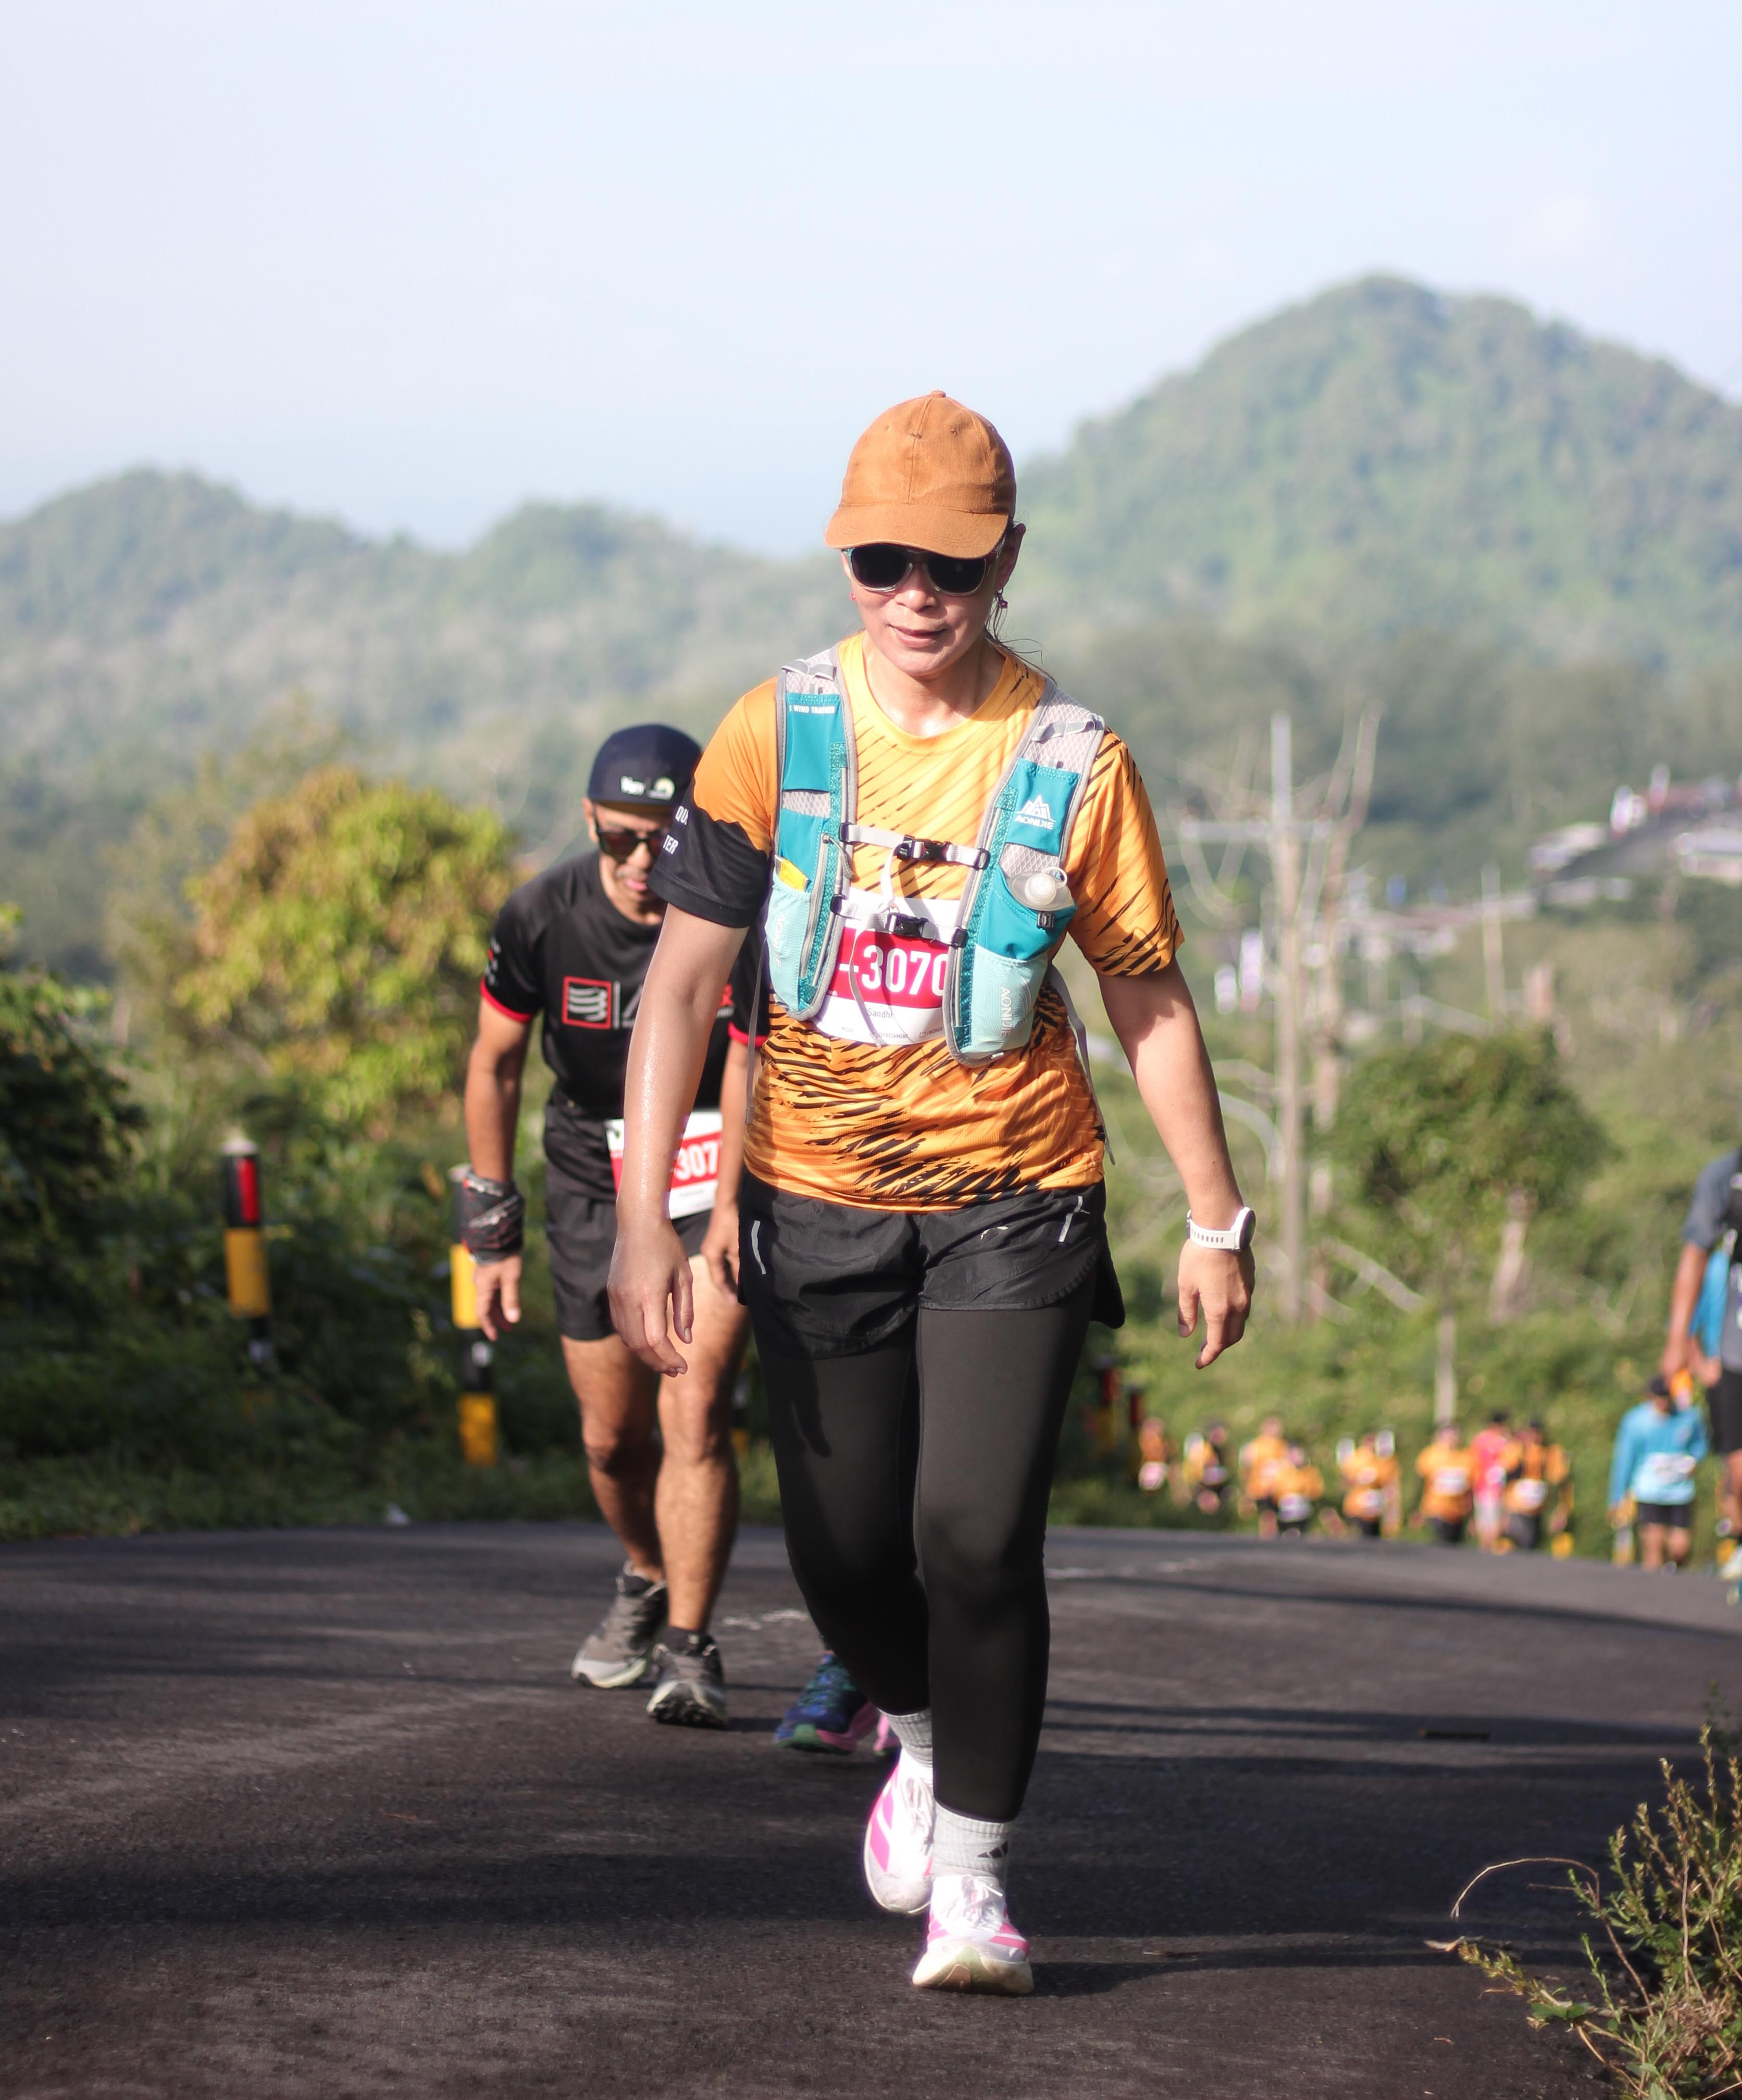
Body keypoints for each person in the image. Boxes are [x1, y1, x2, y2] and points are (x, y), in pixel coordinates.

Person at [605, 392, 1253, 1997]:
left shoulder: (1074, 763)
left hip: (1017, 1193)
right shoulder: (776, 733)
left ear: (1006, 563)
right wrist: (647, 1224)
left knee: (974, 1534)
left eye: (952, 566)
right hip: (813, 1196)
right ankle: (911, 1732)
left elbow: (1147, 996)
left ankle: (974, 1882)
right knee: (842, 1557)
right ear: (846, 561)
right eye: (883, 562)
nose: (917, 595)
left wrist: (1215, 1218)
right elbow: (681, 989)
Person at [459, 723, 761, 1727]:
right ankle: (646, 1570)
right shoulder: (540, 915)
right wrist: (491, 1230)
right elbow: (495, 1063)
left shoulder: (741, 915)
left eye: (662, 839)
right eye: (619, 836)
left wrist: (732, 1206)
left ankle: (690, 1641)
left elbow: (755, 1057)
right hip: (591, 1172)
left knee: (695, 1407)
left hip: (712, 1164)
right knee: (609, 1438)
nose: (640, 861)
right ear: (589, 818)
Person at [1661, 1144, 1742, 1582]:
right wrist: (1684, 1348)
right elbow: (1691, 1268)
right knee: (1737, 1469)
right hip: (1730, 1355)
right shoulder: (1726, 1178)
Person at [1608, 1374, 1708, 1571]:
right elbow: (1625, 1458)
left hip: (1680, 1492)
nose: (1663, 1403)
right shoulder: (1636, 1421)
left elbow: (1700, 1445)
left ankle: (1674, 1574)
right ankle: (1652, 1587)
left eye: (1666, 1397)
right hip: (1649, 1491)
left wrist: (1693, 1461)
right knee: (1654, 1544)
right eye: (1659, 1398)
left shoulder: (1689, 1417)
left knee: (1680, 1548)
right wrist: (1617, 1496)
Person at [1501, 1419, 1570, 1554]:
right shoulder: (1517, 1450)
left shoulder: (1550, 1452)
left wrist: (1562, 1511)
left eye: (1538, 1433)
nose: (1535, 1437)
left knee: (1532, 1543)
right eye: (1532, 1433)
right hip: (1516, 1506)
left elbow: (1561, 1482)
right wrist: (1504, 1511)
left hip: (1539, 1508)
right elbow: (1506, 1476)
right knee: (1519, 1539)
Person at [1415, 1422, 1474, 1541]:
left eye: (1454, 1436)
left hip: (1458, 1513)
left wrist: (1472, 1517)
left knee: (1454, 1545)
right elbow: (1419, 1484)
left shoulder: (1466, 1458)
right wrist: (1417, 1511)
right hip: (1435, 1510)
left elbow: (1470, 1490)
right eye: (1448, 1436)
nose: (1451, 1439)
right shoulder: (1430, 1456)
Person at [1338, 1431, 1400, 1540]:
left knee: (1374, 1537)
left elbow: (1388, 1483)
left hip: (1375, 1508)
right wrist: (1360, 1480)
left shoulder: (1381, 1460)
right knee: (1362, 1536)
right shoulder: (1356, 1459)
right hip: (1358, 1507)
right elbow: (1345, 1480)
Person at [1471, 1411, 1517, 1551]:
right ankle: (1486, 1552)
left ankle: (1486, 1551)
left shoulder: (1482, 1439)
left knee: (1491, 1525)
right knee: (1491, 1526)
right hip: (1490, 1489)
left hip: (1490, 1489)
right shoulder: (1497, 1440)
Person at [1240, 1416, 1289, 1538]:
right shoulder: (1256, 1446)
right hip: (1261, 1488)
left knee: (1279, 1516)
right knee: (1268, 1515)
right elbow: (1247, 1468)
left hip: (1280, 1488)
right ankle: (1267, 1539)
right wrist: (1247, 1491)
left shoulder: (1284, 1445)